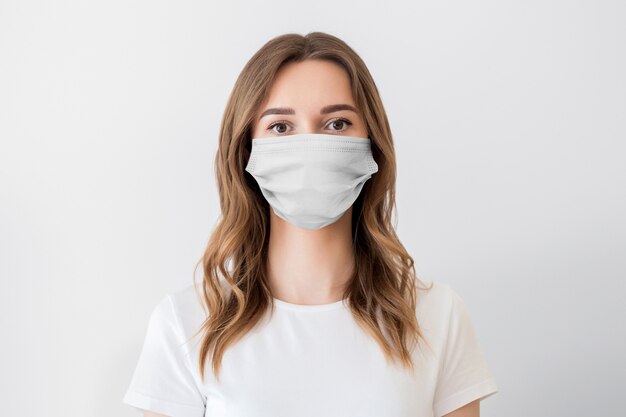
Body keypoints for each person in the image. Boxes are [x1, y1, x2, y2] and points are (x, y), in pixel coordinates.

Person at [122, 31, 499, 417]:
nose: (310, 145)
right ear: (246, 151)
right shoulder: (187, 324)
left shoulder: (437, 315)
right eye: (281, 127)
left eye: (337, 124)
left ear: (372, 143)